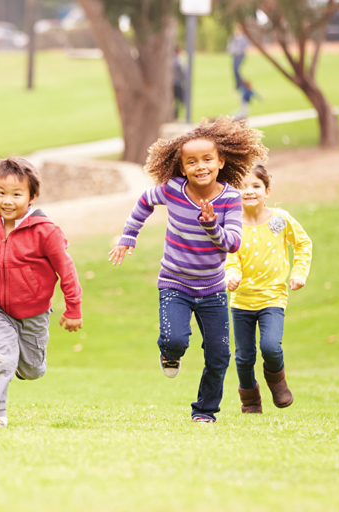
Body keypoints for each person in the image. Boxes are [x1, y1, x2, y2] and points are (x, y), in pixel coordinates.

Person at [109, 116, 267, 423]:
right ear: (182, 168)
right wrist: (129, 235)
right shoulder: (172, 190)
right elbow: (144, 201)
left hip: (213, 290)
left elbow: (233, 243)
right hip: (174, 283)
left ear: (221, 161)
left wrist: (211, 228)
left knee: (219, 355)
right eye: (191, 162)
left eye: (207, 159)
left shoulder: (231, 200)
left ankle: (205, 411)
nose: (200, 166)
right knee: (175, 340)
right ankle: (169, 352)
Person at [0, 158, 84, 427]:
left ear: (32, 196)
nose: (7, 200)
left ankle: (22, 362)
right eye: (1, 192)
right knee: (0, 360)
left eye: (17, 194)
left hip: (34, 312)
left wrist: (73, 308)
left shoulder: (46, 232)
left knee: (32, 369)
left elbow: (67, 270)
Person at [226, 165, 311, 414]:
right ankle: (250, 399)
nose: (249, 191)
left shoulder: (279, 219)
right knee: (243, 357)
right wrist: (231, 275)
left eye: (255, 186)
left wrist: (298, 273)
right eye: (242, 186)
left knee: (271, 347)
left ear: (267, 191)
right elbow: (229, 257)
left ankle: (277, 382)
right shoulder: (232, 226)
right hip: (241, 302)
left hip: (272, 298)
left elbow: (303, 243)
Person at [228, 25, 249, 90]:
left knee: (237, 69)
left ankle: (242, 84)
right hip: (235, 55)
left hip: (241, 55)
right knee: (234, 70)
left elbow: (246, 45)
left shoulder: (244, 37)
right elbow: (230, 45)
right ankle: (238, 85)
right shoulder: (234, 37)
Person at [172, 46, 186, 121]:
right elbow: (183, 73)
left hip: (174, 83)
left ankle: (175, 115)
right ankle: (175, 115)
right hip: (177, 84)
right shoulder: (178, 61)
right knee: (181, 100)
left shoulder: (171, 60)